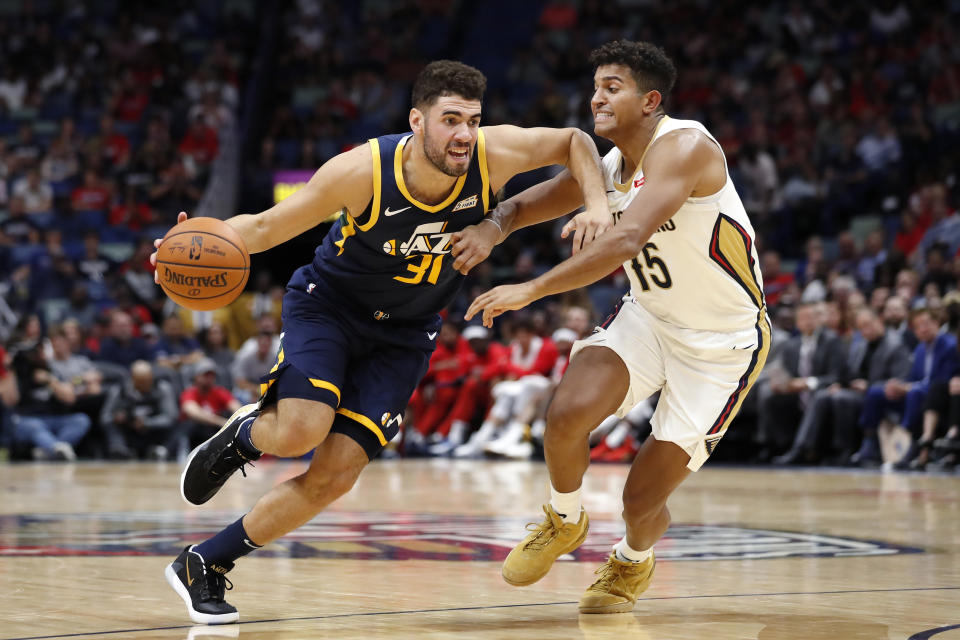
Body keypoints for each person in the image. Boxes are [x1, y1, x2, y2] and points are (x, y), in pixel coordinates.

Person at [153, 59, 608, 624]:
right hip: (330, 309)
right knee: (299, 430)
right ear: (417, 122)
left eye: (472, 119)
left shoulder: (494, 156)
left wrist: (593, 205)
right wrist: (196, 241)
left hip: (406, 333)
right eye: (450, 120)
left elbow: (574, 141)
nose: (464, 133)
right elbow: (268, 228)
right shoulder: (363, 170)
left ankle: (205, 563)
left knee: (337, 474)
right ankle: (247, 435)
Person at [455, 40, 769, 614]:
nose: (596, 97)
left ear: (651, 100)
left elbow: (626, 238)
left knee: (640, 498)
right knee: (566, 414)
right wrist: (492, 227)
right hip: (649, 316)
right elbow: (524, 206)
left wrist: (531, 288)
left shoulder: (687, 147)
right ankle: (564, 518)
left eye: (612, 87)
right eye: (596, 85)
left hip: (720, 344)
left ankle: (631, 558)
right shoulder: (607, 168)